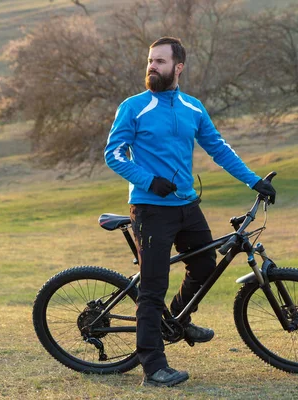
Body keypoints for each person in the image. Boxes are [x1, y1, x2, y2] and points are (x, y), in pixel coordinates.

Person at [104, 37, 276, 387]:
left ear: (178, 67)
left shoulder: (193, 107)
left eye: (160, 62)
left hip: (186, 205)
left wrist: (254, 181)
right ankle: (153, 367)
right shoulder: (134, 106)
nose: (152, 66)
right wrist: (148, 180)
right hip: (150, 208)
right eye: (150, 61)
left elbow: (219, 149)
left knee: (203, 265)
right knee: (153, 288)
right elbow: (114, 154)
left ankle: (176, 322)